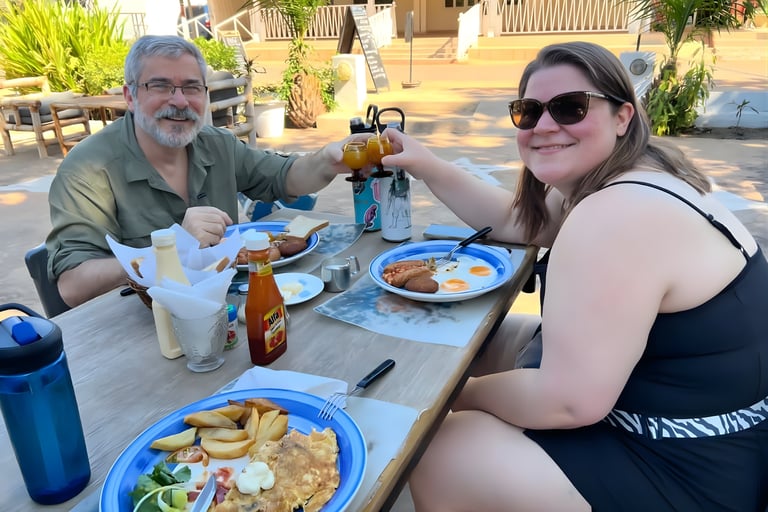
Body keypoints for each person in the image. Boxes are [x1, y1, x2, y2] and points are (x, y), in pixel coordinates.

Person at [381, 41, 768, 511]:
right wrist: (424, 164)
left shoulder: (616, 215)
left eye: (570, 107)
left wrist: (451, 395)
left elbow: (569, 402)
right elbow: (521, 222)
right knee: (489, 340)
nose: (545, 126)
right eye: (528, 111)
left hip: (686, 468)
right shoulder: (630, 176)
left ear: (623, 116)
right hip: (691, 422)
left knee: (443, 444)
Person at [46, 35, 357, 308]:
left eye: (192, 87)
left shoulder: (217, 144)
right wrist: (174, 248)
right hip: (143, 330)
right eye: (160, 86)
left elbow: (283, 177)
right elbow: (73, 286)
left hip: (230, 309)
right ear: (130, 96)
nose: (180, 101)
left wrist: (327, 160)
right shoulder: (88, 168)